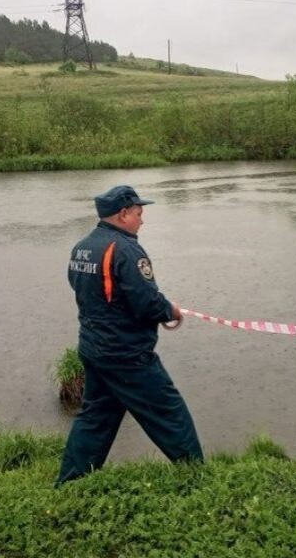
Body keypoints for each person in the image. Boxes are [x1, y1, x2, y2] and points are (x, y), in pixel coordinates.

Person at [55, 185, 203, 486]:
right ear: (123, 214)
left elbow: (81, 288)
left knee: (94, 418)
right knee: (169, 412)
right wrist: (170, 311)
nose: (142, 219)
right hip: (127, 356)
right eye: (138, 212)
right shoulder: (126, 249)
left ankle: (69, 484)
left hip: (94, 349)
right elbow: (146, 301)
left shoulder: (82, 247)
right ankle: (198, 476)